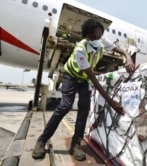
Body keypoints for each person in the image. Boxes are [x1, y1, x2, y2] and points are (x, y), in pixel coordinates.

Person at [32, 19, 135, 161]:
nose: (98, 39)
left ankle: (76, 144)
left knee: (84, 108)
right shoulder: (81, 49)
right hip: (72, 75)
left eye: (99, 36)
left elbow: (122, 51)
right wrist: (110, 101)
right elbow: (93, 78)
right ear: (87, 36)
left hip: (84, 78)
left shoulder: (101, 40)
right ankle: (42, 140)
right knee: (65, 105)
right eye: (94, 37)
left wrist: (128, 58)